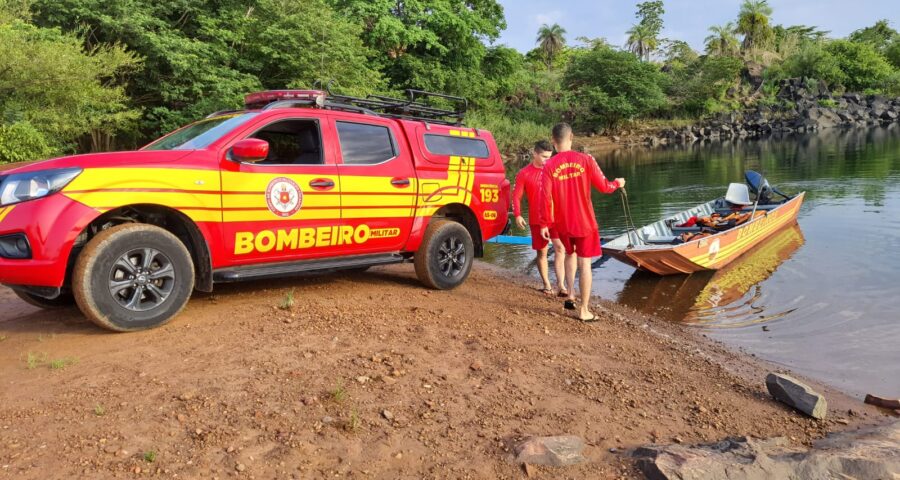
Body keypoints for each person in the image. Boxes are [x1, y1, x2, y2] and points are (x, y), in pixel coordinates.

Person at [539, 123, 625, 322]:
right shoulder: (585, 159)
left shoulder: (549, 166)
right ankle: (584, 310)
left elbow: (545, 198)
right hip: (585, 222)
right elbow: (604, 186)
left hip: (563, 224)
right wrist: (617, 184)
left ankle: (570, 294)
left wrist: (544, 224)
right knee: (585, 264)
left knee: (570, 254)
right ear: (572, 137)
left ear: (553, 141)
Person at [513, 140, 567, 296]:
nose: (547, 160)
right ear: (534, 153)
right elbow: (516, 196)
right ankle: (547, 285)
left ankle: (562, 286)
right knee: (542, 253)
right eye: (544, 156)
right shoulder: (524, 173)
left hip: (556, 218)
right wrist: (517, 214)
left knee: (560, 248)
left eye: (550, 157)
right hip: (537, 220)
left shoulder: (554, 169)